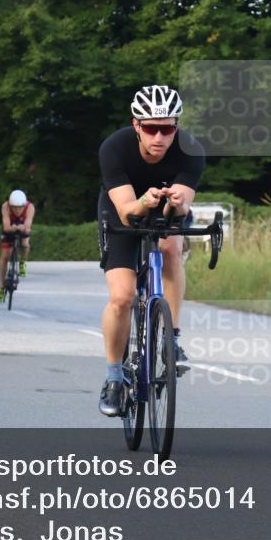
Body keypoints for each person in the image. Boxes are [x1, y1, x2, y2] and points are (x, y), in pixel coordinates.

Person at [96, 85, 205, 417]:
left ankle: (171, 337)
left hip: (167, 210)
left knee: (171, 247)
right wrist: (144, 201)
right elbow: (128, 210)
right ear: (136, 125)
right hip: (122, 209)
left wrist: (174, 204)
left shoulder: (191, 151)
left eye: (168, 128)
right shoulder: (114, 148)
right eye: (151, 128)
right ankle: (114, 378)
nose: (159, 136)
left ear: (176, 127)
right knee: (122, 297)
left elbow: (182, 209)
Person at [0, 189, 35, 303]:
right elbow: (6, 225)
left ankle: (23, 261)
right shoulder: (5, 207)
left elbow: (28, 225)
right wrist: (11, 229)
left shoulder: (30, 207)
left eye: (20, 207)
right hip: (10, 228)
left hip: (23, 227)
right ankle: (1, 288)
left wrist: (24, 229)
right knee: (5, 255)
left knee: (25, 243)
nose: (18, 210)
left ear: (24, 205)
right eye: (14, 207)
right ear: (10, 205)